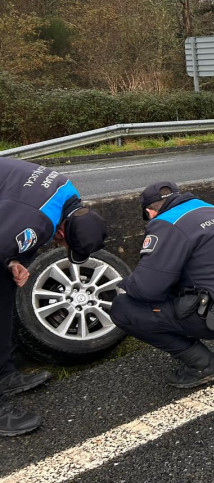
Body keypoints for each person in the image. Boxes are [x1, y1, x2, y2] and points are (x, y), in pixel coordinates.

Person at [111, 182, 214, 389]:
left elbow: (147, 288)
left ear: (149, 212)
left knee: (122, 308)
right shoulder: (210, 209)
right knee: (207, 275)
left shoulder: (165, 223)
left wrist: (125, 284)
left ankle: (203, 364)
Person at [0, 158, 107, 437]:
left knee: (4, 284)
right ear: (61, 232)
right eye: (62, 244)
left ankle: (3, 373)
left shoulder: (67, 193)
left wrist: (10, 261)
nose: (58, 244)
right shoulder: (39, 220)